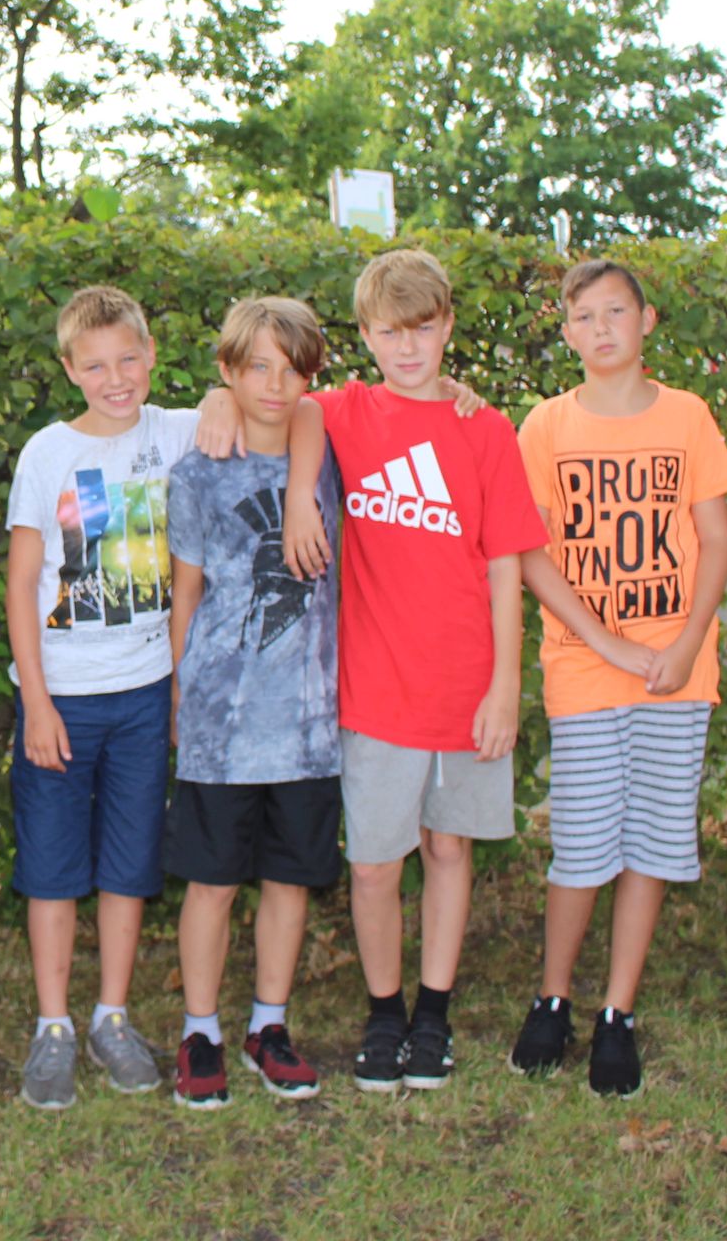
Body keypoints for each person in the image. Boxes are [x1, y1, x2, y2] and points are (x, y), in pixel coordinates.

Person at [287, 248, 546, 1095]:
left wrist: (506, 686)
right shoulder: (347, 411)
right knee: (372, 863)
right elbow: (284, 404)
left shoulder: (486, 429)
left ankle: (433, 1013)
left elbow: (505, 566)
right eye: (389, 332)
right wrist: (297, 495)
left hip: (467, 685)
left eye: (423, 330)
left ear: (448, 328)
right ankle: (384, 1012)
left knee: (447, 846)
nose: (407, 349)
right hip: (375, 688)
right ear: (365, 335)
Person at [505, 259, 727, 1098]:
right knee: (581, 843)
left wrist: (686, 644)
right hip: (585, 668)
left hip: (674, 671)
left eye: (615, 311)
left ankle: (617, 1012)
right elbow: (530, 552)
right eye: (583, 316)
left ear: (647, 321)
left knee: (652, 841)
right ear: (567, 332)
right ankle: (553, 999)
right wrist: (604, 641)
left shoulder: (688, 416)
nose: (600, 328)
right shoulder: (547, 425)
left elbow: (717, 541)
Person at [3, 285, 190, 1109]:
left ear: (151, 356)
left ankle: (112, 1016)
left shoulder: (175, 432)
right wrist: (38, 702)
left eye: (129, 360)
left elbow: (272, 402)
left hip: (144, 693)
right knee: (52, 868)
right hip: (64, 697)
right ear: (69, 370)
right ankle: (53, 1025)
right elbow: (21, 585)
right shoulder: (48, 453)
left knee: (128, 863)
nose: (116, 379)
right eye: (96, 366)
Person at [163, 298, 343, 1109]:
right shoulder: (198, 473)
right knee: (211, 882)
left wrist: (302, 491)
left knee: (288, 880)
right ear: (228, 372)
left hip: (306, 725)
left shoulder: (327, 459)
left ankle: (269, 1024)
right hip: (222, 724)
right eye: (257, 367)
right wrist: (180, 695)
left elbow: (315, 417)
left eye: (292, 369)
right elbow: (186, 594)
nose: (276, 385)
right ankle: (200, 1030)